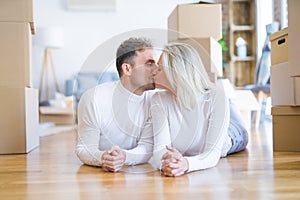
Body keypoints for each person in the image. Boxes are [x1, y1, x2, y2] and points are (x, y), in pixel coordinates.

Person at [150, 42, 248, 177]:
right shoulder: (158, 99)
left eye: (159, 68)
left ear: (175, 72)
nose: (153, 72)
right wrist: (169, 162)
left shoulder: (216, 95)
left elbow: (212, 154)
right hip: (198, 142)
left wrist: (186, 164)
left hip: (231, 136)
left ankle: (229, 98)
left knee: (237, 121)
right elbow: (159, 150)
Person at [76, 37, 157, 172]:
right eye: (149, 64)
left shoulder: (155, 100)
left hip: (139, 177)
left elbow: (147, 148)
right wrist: (104, 158)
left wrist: (124, 157)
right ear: (127, 69)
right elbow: (84, 148)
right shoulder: (93, 98)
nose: (157, 69)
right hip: (100, 178)